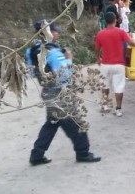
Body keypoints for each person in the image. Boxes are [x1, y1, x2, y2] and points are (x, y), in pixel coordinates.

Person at [27, 20, 101, 165]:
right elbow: (64, 75)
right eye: (55, 31)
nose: (57, 34)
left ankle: (36, 155)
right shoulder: (53, 52)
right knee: (76, 123)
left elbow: (30, 72)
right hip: (60, 94)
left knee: (52, 123)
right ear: (48, 33)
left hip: (47, 92)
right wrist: (69, 60)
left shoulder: (31, 50)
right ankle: (83, 153)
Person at [95, 12, 135, 117]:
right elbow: (132, 43)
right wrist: (134, 36)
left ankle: (104, 105)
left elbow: (97, 48)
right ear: (116, 20)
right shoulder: (121, 32)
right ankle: (118, 109)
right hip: (119, 64)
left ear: (105, 21)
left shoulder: (100, 34)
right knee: (119, 87)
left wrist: (98, 58)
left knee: (105, 84)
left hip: (105, 64)